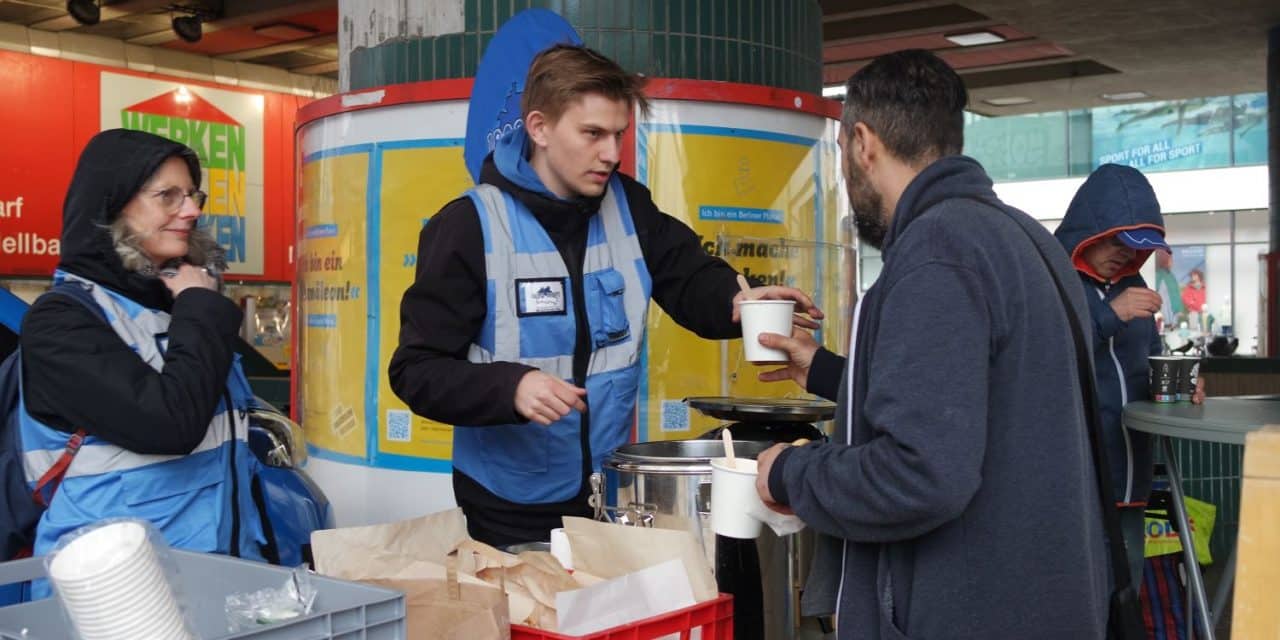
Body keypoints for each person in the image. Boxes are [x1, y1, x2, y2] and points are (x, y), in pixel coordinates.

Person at [388, 44, 820, 546]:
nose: (612, 154)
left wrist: (735, 302)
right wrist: (510, 388)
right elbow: (415, 370)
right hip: (508, 504)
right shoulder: (469, 226)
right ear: (539, 128)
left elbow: (687, 274)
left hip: (610, 491)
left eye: (618, 134)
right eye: (592, 133)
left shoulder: (628, 204)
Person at [751, 50, 1109, 638]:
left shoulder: (937, 252)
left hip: (970, 612)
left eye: (842, 153)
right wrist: (824, 371)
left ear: (861, 142)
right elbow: (980, 402)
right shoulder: (1020, 237)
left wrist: (792, 473)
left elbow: (920, 475)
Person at [19, 129, 266, 574]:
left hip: (211, 572)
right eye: (167, 196)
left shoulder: (176, 305)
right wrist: (199, 308)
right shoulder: (62, 322)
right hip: (114, 591)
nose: (190, 211)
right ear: (112, 205)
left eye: (192, 195)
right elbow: (170, 424)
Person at [1053, 163, 1170, 590]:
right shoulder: (1053, 282)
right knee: (1079, 590)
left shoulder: (1135, 287)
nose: (1126, 251)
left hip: (1133, 470)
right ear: (1090, 234)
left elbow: (1151, 360)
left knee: (1128, 589)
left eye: (1137, 245)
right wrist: (1108, 316)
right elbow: (1044, 353)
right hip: (1077, 475)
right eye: (1118, 240)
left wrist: (1178, 386)